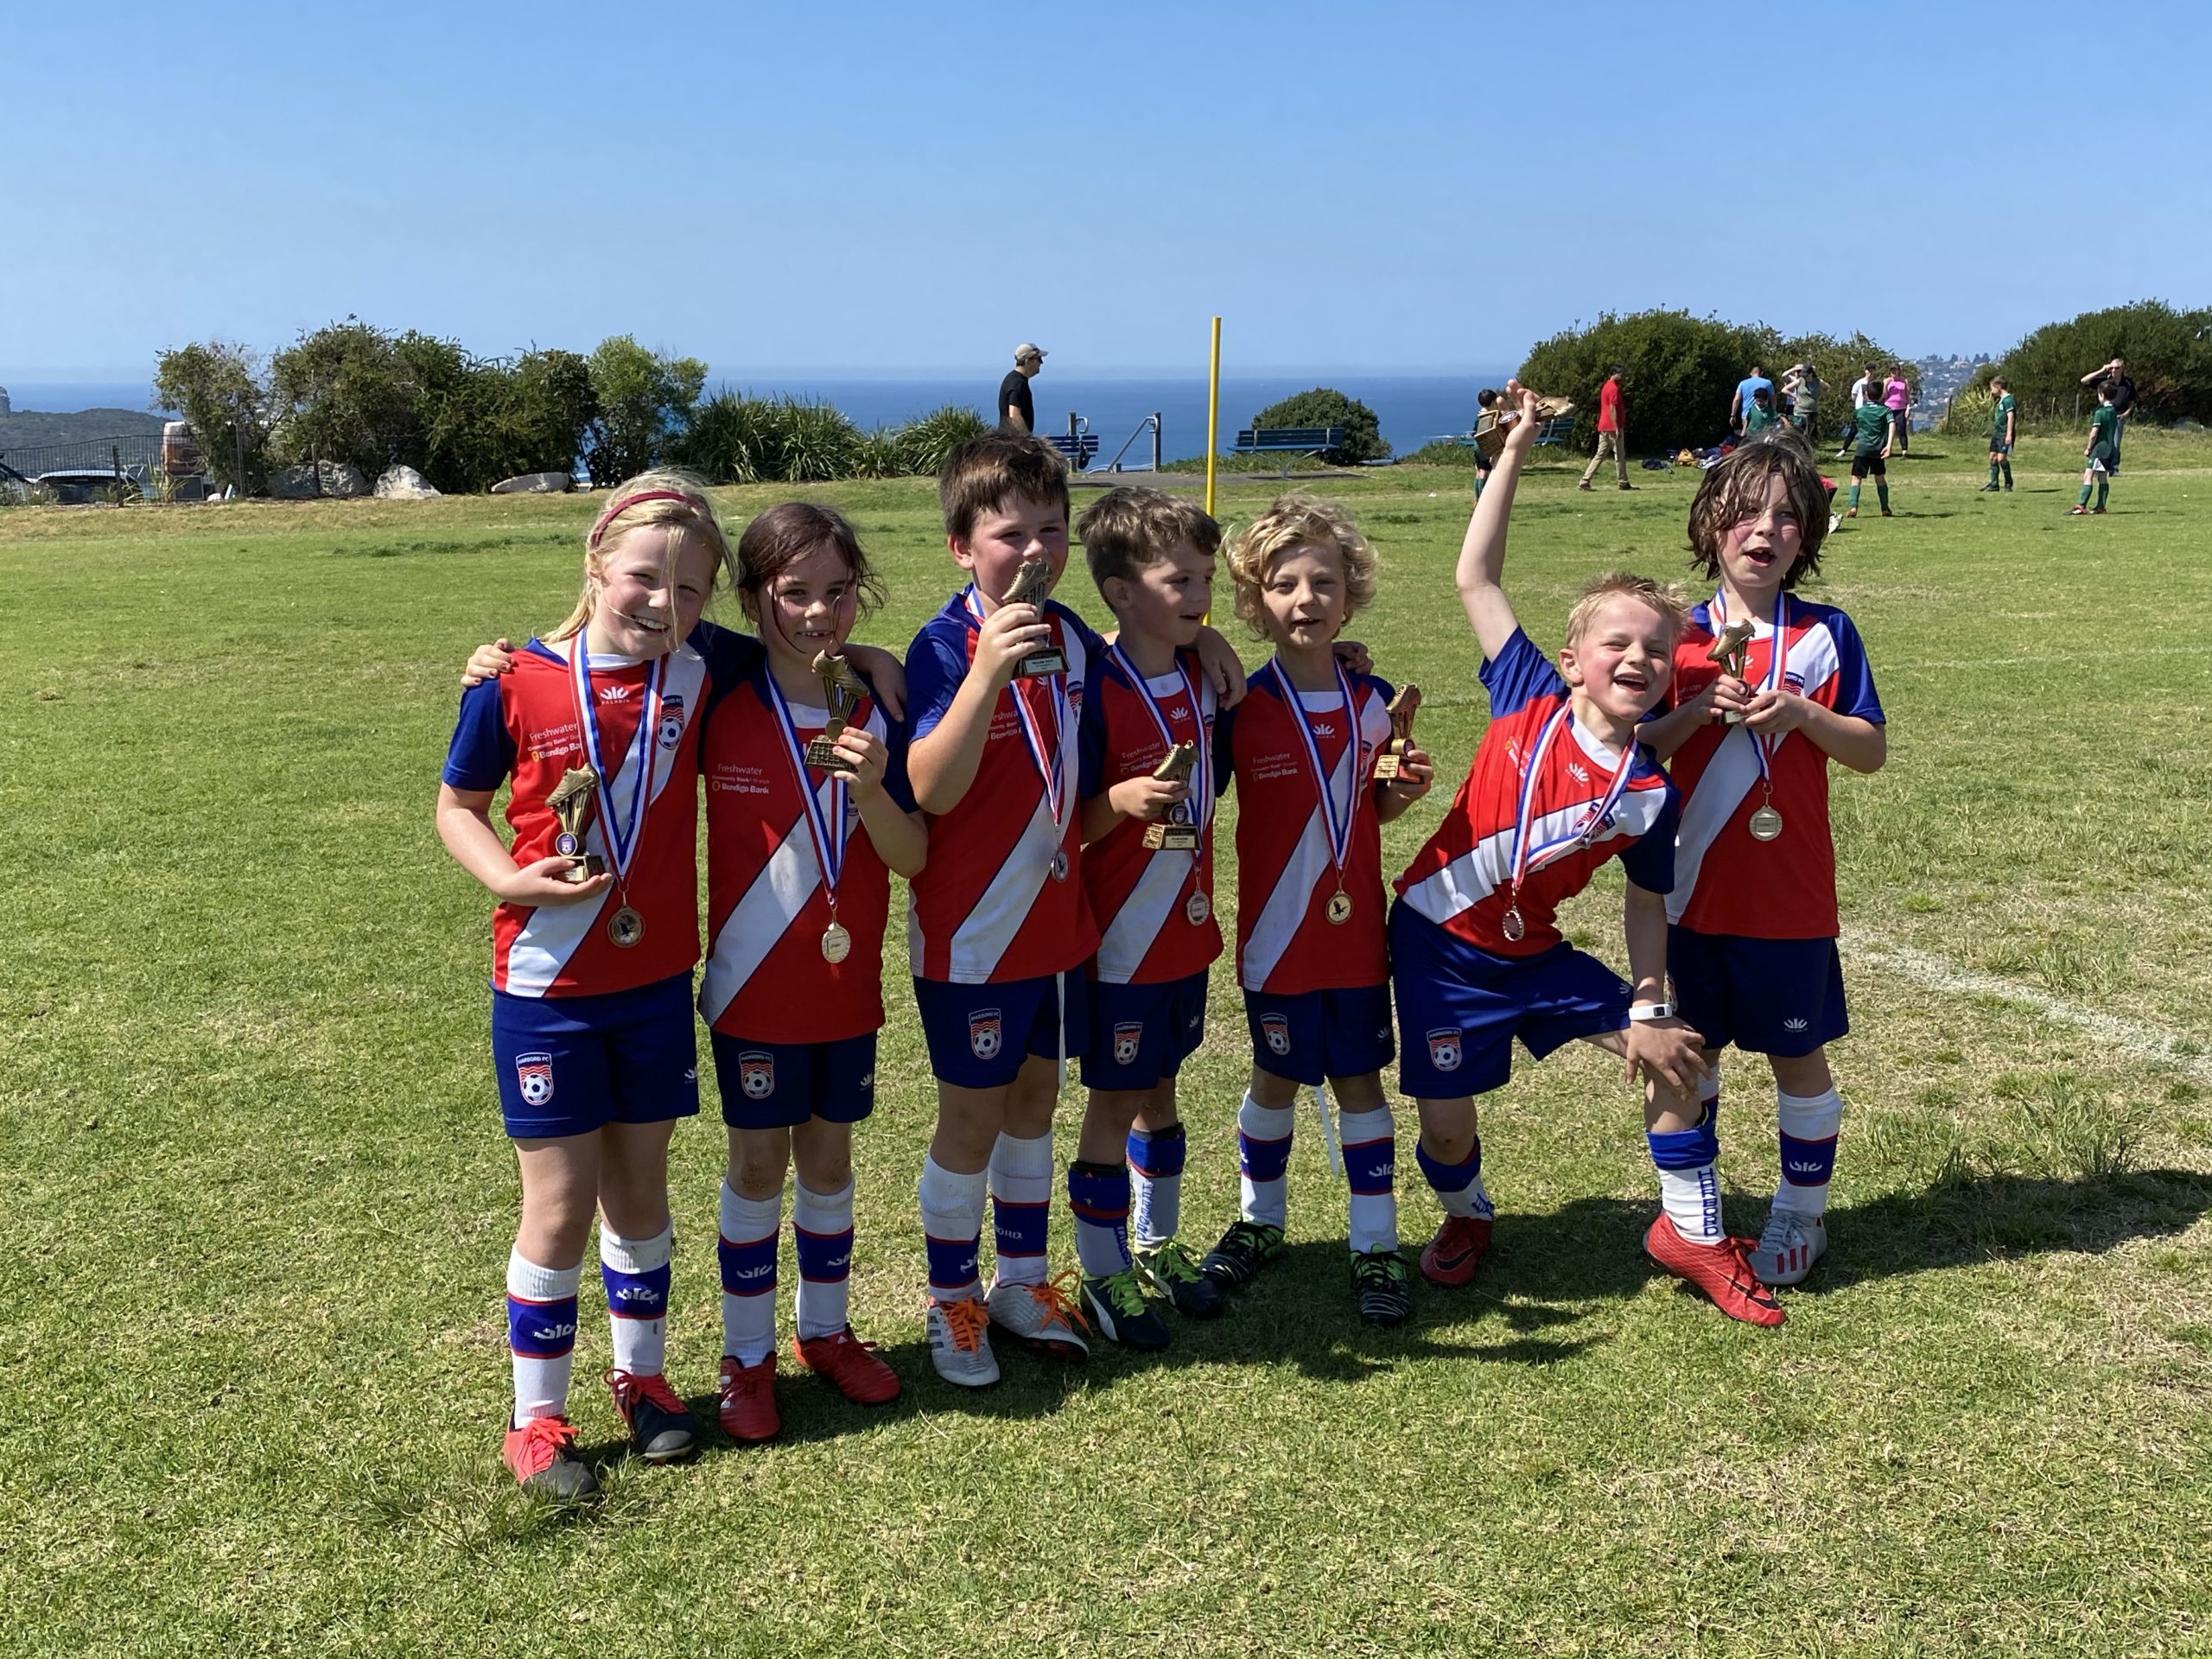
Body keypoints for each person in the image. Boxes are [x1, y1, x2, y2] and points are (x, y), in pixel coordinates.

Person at [900, 435, 1246, 1386]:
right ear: (961, 547)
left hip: (1059, 928)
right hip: (974, 934)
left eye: (1051, 530)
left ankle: (1020, 1283)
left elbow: (1110, 739)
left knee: (1034, 1105)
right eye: (1009, 534)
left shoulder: (1077, 642)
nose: (1035, 551)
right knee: (969, 1121)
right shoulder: (942, 645)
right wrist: (985, 675)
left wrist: (1207, 637)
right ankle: (950, 1301)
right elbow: (929, 789)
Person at [1390, 388, 1741, 1320]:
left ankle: (1691, 1232)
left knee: (1680, 1057)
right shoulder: (1526, 697)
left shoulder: (1649, 792)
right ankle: (1467, 1215)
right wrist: (1515, 448)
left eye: (1657, 650)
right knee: (1446, 1128)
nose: (1637, 658)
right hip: (1435, 945)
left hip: (1534, 955)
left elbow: (1645, 903)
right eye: (1615, 642)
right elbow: (1476, 577)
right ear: (1572, 657)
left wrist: (1649, 1006)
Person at [435, 474, 731, 1497]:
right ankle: (536, 1421)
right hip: (545, 988)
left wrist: (867, 660)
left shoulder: (703, 668)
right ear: (596, 565)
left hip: (653, 982)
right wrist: (507, 879)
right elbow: (457, 807)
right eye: (644, 576)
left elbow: (801, 652)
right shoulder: (512, 680)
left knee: (641, 1192)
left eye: (690, 589)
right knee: (559, 1206)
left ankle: (641, 1379)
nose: (663, 602)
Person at [696, 503, 925, 1440]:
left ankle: (824, 1332)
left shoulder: (881, 707)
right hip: (751, 986)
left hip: (844, 988)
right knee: (757, 1165)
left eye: (838, 592)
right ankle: (745, 1356)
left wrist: (871, 788)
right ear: (753, 598)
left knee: (829, 1161)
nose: (819, 613)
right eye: (794, 594)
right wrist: (509, 658)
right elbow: (630, 623)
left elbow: (912, 855)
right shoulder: (716, 683)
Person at [1639, 435, 1887, 1291]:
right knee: (1688, 1059)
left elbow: (1870, 751)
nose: (1763, 530)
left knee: (1798, 1057)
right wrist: (1694, 713)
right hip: (1686, 898)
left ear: (1806, 534)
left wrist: (1805, 716)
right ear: (1709, 524)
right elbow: (1632, 750)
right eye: (1744, 512)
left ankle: (1800, 1212)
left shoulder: (1827, 634)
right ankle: (1695, 1218)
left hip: (1789, 898)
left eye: (1785, 516)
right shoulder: (1674, 635)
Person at [1207, 493, 1434, 1325]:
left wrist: (1401, 793)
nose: (1306, 599)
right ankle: (1260, 1222)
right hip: (1275, 941)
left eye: (1324, 583)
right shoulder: (1238, 706)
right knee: (1274, 1077)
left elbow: (1370, 810)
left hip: (1355, 938)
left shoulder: (1374, 699)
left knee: (1359, 1081)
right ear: (1254, 600)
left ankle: (1375, 1243)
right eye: (1283, 585)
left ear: (1351, 593)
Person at [1065, 488, 1230, 1349]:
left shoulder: (1205, 671)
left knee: (1160, 1090)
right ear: (1122, 592)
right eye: (1179, 581)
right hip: (1120, 940)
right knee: (1114, 1099)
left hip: (1185, 931)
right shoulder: (1092, 685)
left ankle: (1156, 1243)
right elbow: (1068, 820)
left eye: (1205, 578)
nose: (1199, 595)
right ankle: (1102, 1273)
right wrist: (1119, 802)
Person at [1579, 365, 1632, 491]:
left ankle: (1585, 480)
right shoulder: (1613, 388)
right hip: (1612, 427)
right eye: (1621, 374)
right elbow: (1612, 409)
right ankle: (1623, 482)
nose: (1623, 376)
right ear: (1614, 373)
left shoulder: (1606, 386)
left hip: (1604, 426)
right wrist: (1616, 427)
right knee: (1620, 455)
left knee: (1600, 454)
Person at [2071, 380, 2120, 515]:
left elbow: (2094, 433)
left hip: (2099, 449)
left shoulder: (2100, 412)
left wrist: (2089, 448)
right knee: (2102, 477)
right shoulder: (2113, 412)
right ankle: (2101, 506)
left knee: (2088, 476)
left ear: (2102, 394)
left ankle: (2081, 506)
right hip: (2110, 449)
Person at [1845, 390, 1892, 518]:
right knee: (1880, 478)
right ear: (1881, 395)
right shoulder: (1885, 410)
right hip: (1878, 450)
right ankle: (1885, 508)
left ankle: (1853, 506)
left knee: (1856, 478)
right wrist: (1889, 445)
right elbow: (1891, 423)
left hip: (1862, 449)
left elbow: (1856, 427)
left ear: (1866, 395)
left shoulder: (1860, 411)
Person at [998, 343, 1046, 435]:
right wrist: (1028, 438)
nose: (1041, 363)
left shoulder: (1012, 379)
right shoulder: (1018, 384)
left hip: (1006, 439)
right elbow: (1014, 415)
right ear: (1028, 361)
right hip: (1013, 441)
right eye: (1039, 359)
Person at [1983, 376, 2017, 493]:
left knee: (2001, 458)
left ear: (1998, 387)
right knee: (1993, 457)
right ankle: (1994, 484)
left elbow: (2010, 417)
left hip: (2004, 434)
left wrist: (2009, 434)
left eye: (1992, 388)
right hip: (1997, 433)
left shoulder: (2008, 400)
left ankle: (2008, 482)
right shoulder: (2000, 400)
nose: (1991, 391)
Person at [1471, 387, 1503, 498]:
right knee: (1484, 472)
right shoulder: (1489, 416)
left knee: (1479, 470)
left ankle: (1477, 497)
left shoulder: (1479, 414)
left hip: (1477, 444)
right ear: (1493, 402)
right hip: (1484, 445)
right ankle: (1482, 497)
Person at [1729, 365, 1774, 436]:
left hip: (1746, 415)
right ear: (1761, 373)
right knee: (1762, 436)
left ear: (1751, 373)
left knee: (1746, 436)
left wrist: (1733, 415)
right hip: (1762, 414)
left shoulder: (1743, 383)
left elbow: (1736, 400)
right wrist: (1773, 411)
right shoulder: (1768, 383)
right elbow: (1773, 399)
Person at [1783, 364, 1821, 439]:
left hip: (1808, 409)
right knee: (1796, 429)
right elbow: (1784, 376)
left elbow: (1813, 371)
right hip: (1795, 407)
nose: (1799, 373)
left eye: (1800, 371)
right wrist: (1794, 368)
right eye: (1798, 372)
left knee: (1807, 432)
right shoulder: (1794, 380)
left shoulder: (1811, 381)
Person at [1884, 367, 1911, 454]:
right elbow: (1884, 396)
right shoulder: (1887, 381)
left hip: (1901, 408)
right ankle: (1886, 449)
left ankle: (1904, 451)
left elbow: (1907, 396)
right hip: (1889, 408)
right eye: (1892, 371)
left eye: (1895, 370)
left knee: (1901, 429)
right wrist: (1885, 385)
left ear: (1898, 371)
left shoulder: (1904, 381)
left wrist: (1908, 407)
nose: (1893, 372)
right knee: (1887, 430)